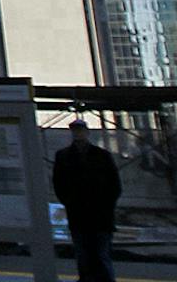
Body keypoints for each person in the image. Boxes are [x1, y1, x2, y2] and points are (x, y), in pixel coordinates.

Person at [51, 119, 121, 282]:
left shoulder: (102, 155)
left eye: (80, 130)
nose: (77, 134)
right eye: (75, 130)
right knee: (83, 254)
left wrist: (107, 205)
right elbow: (58, 183)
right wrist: (69, 201)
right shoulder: (63, 156)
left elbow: (114, 185)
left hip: (99, 213)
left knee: (100, 254)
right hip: (79, 212)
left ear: (86, 132)